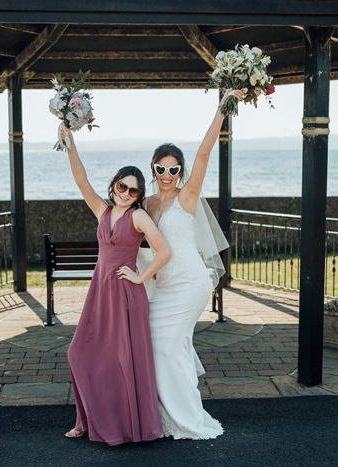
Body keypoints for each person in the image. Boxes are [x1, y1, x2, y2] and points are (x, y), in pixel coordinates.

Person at [61, 126, 172, 445]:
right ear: (114, 185)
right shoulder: (103, 210)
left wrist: (140, 275)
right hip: (100, 292)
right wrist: (70, 144)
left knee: (122, 360)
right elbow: (81, 180)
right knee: (78, 353)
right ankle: (86, 419)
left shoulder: (138, 218)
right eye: (122, 186)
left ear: (138, 195)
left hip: (126, 294)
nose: (125, 193)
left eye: (133, 191)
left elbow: (164, 251)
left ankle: (124, 425)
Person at [144, 88, 242, 440]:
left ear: (180, 170)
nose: (167, 173)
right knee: (160, 341)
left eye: (173, 168)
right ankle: (161, 412)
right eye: (161, 168)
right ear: (152, 168)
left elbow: (204, 152)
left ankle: (185, 418)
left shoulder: (186, 196)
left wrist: (223, 107)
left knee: (168, 342)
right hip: (164, 285)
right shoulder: (147, 203)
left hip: (191, 283)